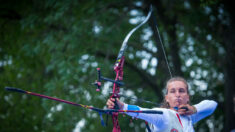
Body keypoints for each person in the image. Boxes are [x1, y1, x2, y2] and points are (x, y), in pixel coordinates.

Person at [106, 77, 218, 132]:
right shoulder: (164, 115)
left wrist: (193, 109)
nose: (178, 95)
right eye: (173, 91)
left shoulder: (189, 117)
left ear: (187, 97)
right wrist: (122, 106)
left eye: (182, 91)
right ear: (167, 98)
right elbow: (143, 111)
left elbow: (212, 105)